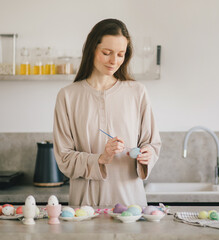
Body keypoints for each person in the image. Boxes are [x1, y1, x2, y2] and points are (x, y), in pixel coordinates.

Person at [53, 18, 161, 208]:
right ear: (92, 49)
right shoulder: (67, 96)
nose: (114, 61)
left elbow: (152, 143)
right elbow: (64, 159)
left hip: (131, 206)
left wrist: (147, 155)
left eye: (121, 54)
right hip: (84, 208)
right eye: (107, 53)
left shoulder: (138, 92)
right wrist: (100, 159)